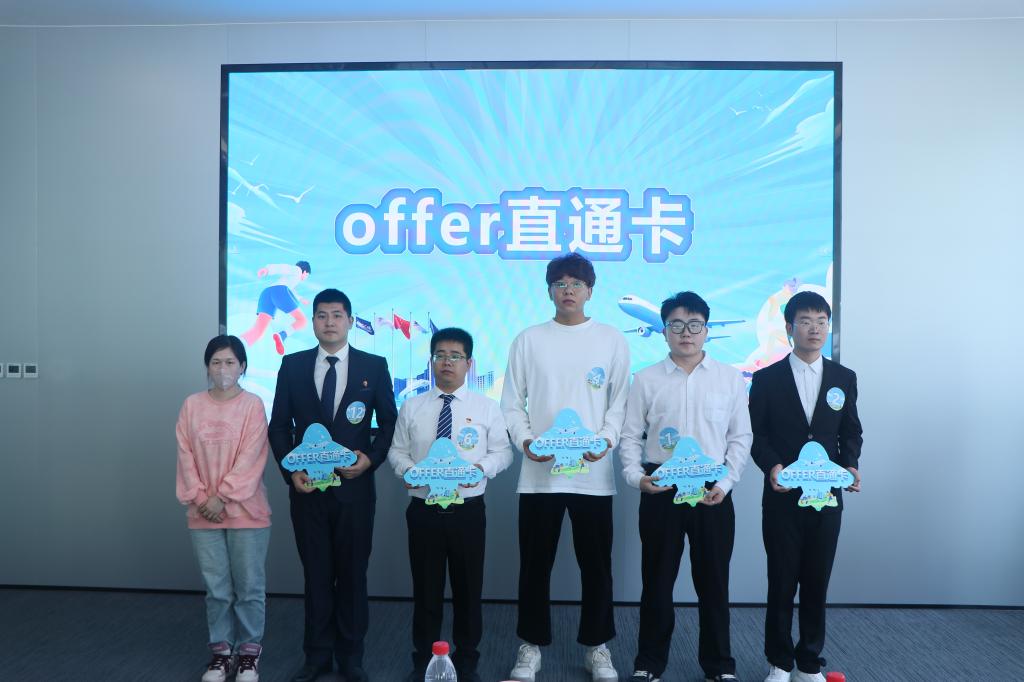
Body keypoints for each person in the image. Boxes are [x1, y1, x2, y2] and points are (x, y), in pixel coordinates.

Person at [501, 253, 630, 682]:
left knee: (596, 566)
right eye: (560, 283)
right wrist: (525, 441)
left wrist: (606, 440)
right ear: (549, 291)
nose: (568, 290)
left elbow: (619, 403)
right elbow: (511, 402)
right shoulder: (528, 340)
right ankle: (530, 645)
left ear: (590, 291)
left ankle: (597, 646)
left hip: (593, 475)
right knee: (534, 565)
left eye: (576, 283)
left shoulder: (611, 339)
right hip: (540, 475)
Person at [619, 291, 751, 682]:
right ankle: (649, 663)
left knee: (714, 583)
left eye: (695, 325)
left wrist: (726, 482)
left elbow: (740, 437)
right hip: (661, 486)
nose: (686, 333)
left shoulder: (729, 378)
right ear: (664, 331)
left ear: (706, 330)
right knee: (657, 581)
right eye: (676, 325)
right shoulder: (646, 379)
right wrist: (636, 477)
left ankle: (719, 666)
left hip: (712, 490)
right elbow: (630, 436)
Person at [268, 288, 398, 682]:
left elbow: (389, 423)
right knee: (317, 575)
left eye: (337, 315)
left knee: (353, 575)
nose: (329, 322)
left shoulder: (374, 366)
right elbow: (279, 427)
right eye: (322, 315)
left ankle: (351, 657)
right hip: (308, 490)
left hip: (354, 493)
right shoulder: (292, 366)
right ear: (312, 321)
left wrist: (370, 460)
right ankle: (317, 656)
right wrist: (290, 472)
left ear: (350, 321)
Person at [749, 291, 863, 682]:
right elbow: (757, 435)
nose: (814, 329)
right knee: (781, 580)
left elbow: (851, 431)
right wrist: (772, 466)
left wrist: (850, 465)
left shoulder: (843, 378)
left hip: (827, 496)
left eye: (821, 321)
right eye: (805, 321)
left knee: (817, 580)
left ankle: (809, 663)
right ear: (789, 327)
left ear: (828, 326)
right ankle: (779, 662)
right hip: (783, 495)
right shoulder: (766, 379)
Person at [387, 327, 513, 682]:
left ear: (469, 364)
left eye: (455, 356)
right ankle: (424, 661)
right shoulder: (412, 406)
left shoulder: (486, 408)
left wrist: (481, 469)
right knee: (426, 590)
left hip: (467, 511)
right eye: (440, 355)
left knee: (468, 590)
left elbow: (503, 452)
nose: (447, 362)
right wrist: (408, 471)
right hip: (424, 510)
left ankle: (467, 661)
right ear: (432, 361)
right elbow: (396, 451)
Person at [176, 335, 272, 682]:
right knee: (216, 590)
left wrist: (223, 497)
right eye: (216, 362)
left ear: (243, 366)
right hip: (203, 512)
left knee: (249, 588)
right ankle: (221, 654)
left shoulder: (253, 405)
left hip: (247, 513)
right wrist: (202, 499)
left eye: (230, 362)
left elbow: (252, 457)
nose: (223, 369)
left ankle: (248, 655)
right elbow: (185, 455)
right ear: (207, 367)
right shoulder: (192, 405)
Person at [240, 261, 311, 355]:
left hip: (266, 294)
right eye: (307, 276)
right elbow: (284, 267)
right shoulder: (298, 270)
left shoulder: (289, 280)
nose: (305, 278)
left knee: (258, 330)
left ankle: (237, 345)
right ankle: (282, 335)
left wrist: (301, 299)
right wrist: (268, 269)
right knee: (302, 320)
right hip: (279, 291)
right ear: (305, 272)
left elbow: (292, 290)